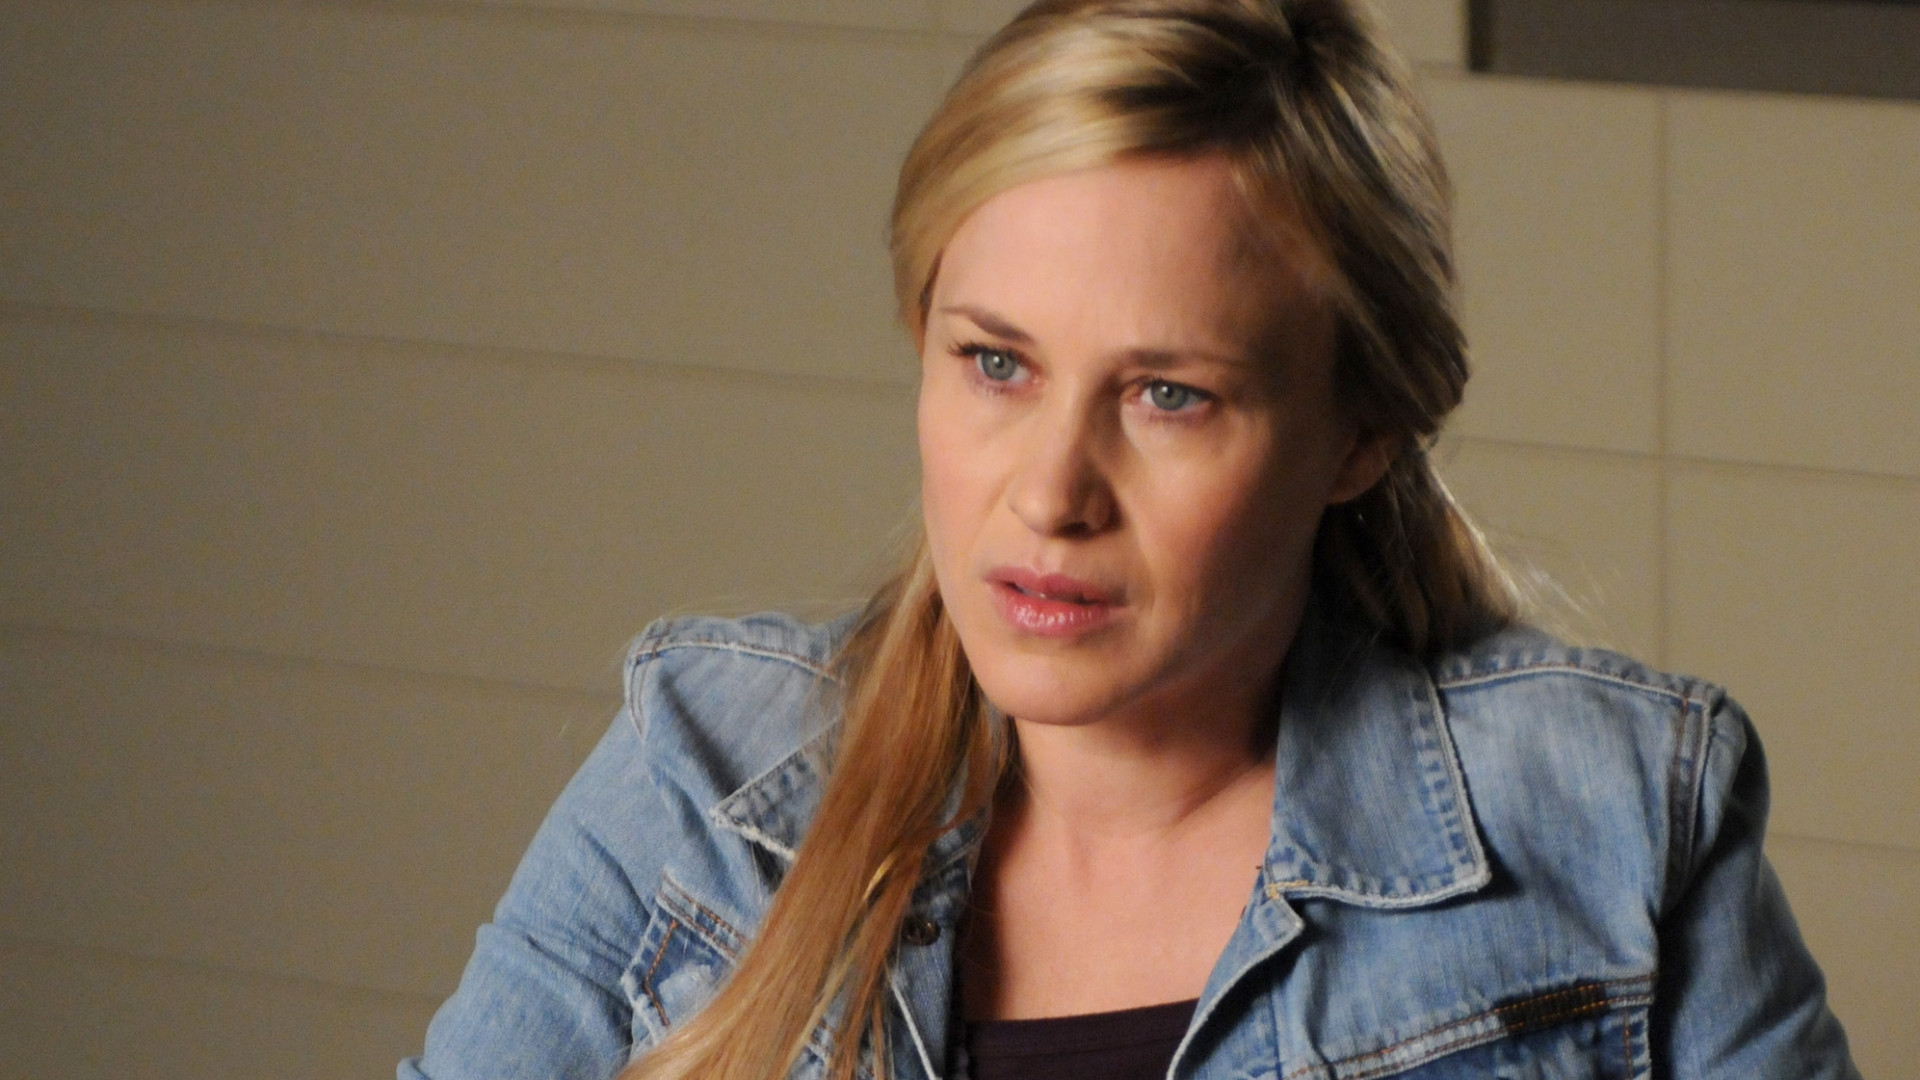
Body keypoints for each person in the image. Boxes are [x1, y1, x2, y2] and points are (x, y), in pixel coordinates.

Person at [402, 1, 1859, 1078]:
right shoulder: (699, 782)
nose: (1052, 493)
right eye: (995, 363)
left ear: (1360, 431)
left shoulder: (1612, 821)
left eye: (1169, 395)